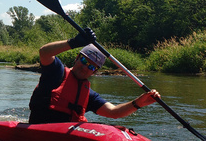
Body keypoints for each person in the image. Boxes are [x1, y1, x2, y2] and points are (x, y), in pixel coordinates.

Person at [28, 28, 160, 124]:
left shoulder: (89, 95)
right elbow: (44, 52)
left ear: (95, 72)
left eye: (91, 67)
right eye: (84, 61)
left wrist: (139, 103)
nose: (85, 67)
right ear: (77, 58)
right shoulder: (56, 72)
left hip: (64, 136)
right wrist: (73, 42)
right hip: (39, 128)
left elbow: (113, 112)